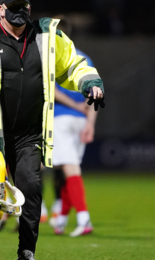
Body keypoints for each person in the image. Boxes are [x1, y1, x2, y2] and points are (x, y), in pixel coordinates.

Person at [0, 0, 105, 259]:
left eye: (23, 5)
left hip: (29, 133)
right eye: (13, 6)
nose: (18, 11)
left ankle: (27, 251)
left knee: (30, 189)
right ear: (0, 9)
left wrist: (90, 83)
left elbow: (74, 65)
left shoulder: (48, 37)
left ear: (30, 7)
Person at [49, 16, 98, 237]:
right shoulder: (85, 58)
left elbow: (53, 92)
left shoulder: (53, 57)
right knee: (72, 170)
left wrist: (77, 108)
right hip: (80, 122)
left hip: (60, 120)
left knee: (69, 170)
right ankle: (61, 219)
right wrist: (90, 122)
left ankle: (84, 219)